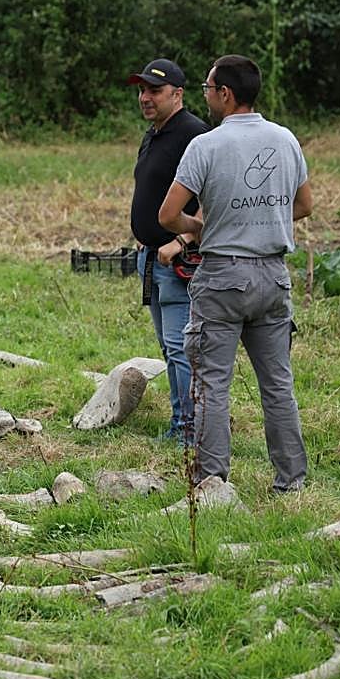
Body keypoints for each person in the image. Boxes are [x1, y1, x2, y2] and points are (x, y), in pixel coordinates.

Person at [158, 54, 312, 492]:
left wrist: (198, 226)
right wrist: (264, 221)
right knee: (278, 385)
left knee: (212, 384)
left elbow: (169, 215)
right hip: (273, 277)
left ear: (225, 94)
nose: (206, 97)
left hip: (223, 277)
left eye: (207, 90)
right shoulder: (285, 140)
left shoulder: (206, 145)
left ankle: (212, 481)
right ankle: (291, 482)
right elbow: (304, 206)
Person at [127, 59, 209, 443]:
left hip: (178, 260)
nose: (145, 97)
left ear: (177, 94)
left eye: (154, 91)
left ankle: (191, 431)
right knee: (168, 347)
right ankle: (182, 422)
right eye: (142, 90)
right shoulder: (154, 133)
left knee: (181, 349)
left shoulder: (195, 134)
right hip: (151, 258)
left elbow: (214, 197)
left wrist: (182, 240)